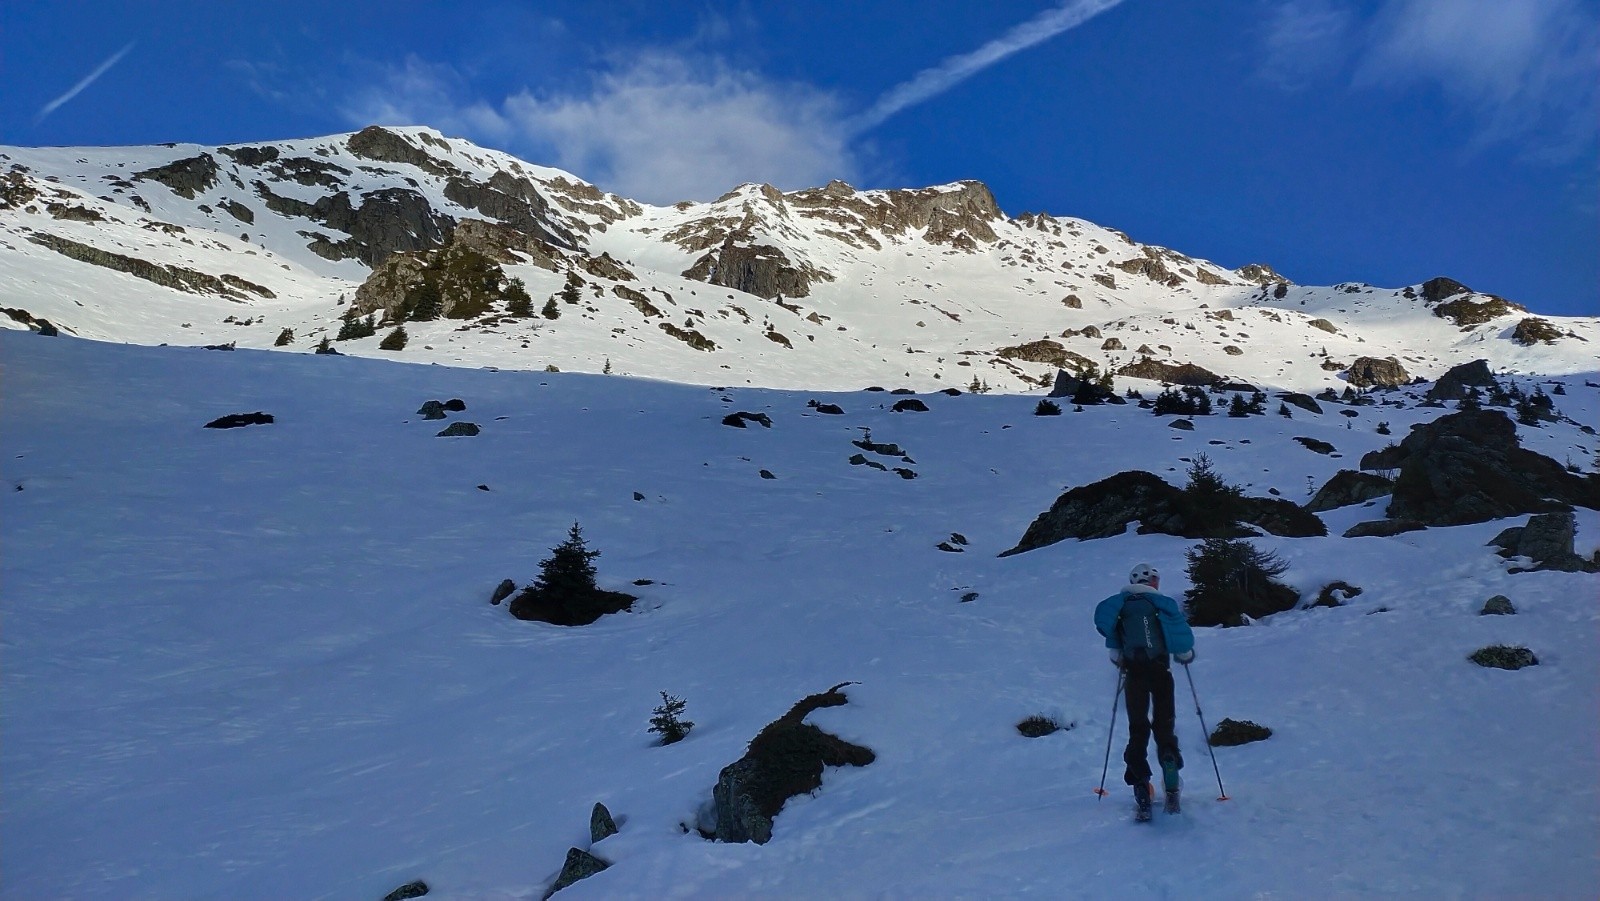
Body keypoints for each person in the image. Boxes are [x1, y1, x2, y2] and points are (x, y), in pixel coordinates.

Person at [1094, 562, 1195, 819]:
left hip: (1134, 675)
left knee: (1137, 729)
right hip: (1161, 672)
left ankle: (1141, 786)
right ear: (1154, 582)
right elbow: (1180, 639)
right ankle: (1170, 774)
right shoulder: (1161, 604)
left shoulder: (1122, 606)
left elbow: (1115, 650)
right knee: (1164, 726)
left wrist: (1121, 661)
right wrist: (1185, 654)